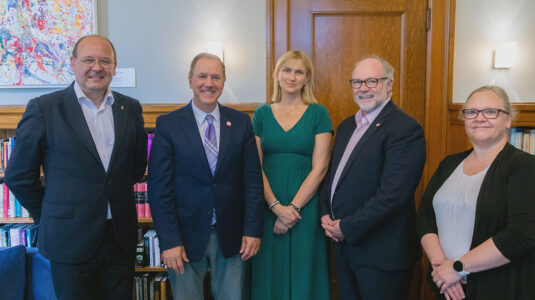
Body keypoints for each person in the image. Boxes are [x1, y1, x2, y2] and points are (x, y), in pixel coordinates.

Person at [4, 35, 148, 299]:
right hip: (69, 240)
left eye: (105, 61)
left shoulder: (130, 108)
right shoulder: (45, 108)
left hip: (119, 238)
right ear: (73, 63)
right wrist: (48, 214)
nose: (97, 67)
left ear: (114, 66)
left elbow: (137, 166)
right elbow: (18, 176)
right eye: (88, 60)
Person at [148, 53, 264, 299]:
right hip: (184, 238)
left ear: (223, 82)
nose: (208, 83)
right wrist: (169, 241)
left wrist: (253, 230)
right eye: (202, 76)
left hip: (232, 236)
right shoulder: (168, 125)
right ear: (190, 80)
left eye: (216, 77)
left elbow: (252, 181)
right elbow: (159, 189)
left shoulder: (241, 123)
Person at [320, 56, 426, 300]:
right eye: (357, 82)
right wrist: (325, 212)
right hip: (346, 248)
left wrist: (346, 227)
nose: (363, 88)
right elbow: (333, 177)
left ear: (389, 84)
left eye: (371, 81)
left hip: (382, 254)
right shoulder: (348, 126)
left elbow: (393, 195)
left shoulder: (405, 129)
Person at [416, 85, 535, 300]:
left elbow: (520, 235)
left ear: (508, 120)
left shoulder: (524, 166)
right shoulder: (449, 163)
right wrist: (441, 266)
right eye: (471, 112)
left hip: (497, 289)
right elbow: (424, 215)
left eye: (490, 111)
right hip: (445, 285)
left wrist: (458, 268)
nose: (479, 118)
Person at [250, 50, 332, 300]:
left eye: (299, 72)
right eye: (287, 70)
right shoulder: (261, 114)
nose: (292, 77)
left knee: (304, 271)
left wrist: (291, 211)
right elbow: (255, 166)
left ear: (307, 78)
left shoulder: (319, 113)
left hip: (304, 209)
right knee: (269, 273)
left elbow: (320, 168)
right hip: (267, 205)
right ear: (277, 75)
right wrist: (276, 207)